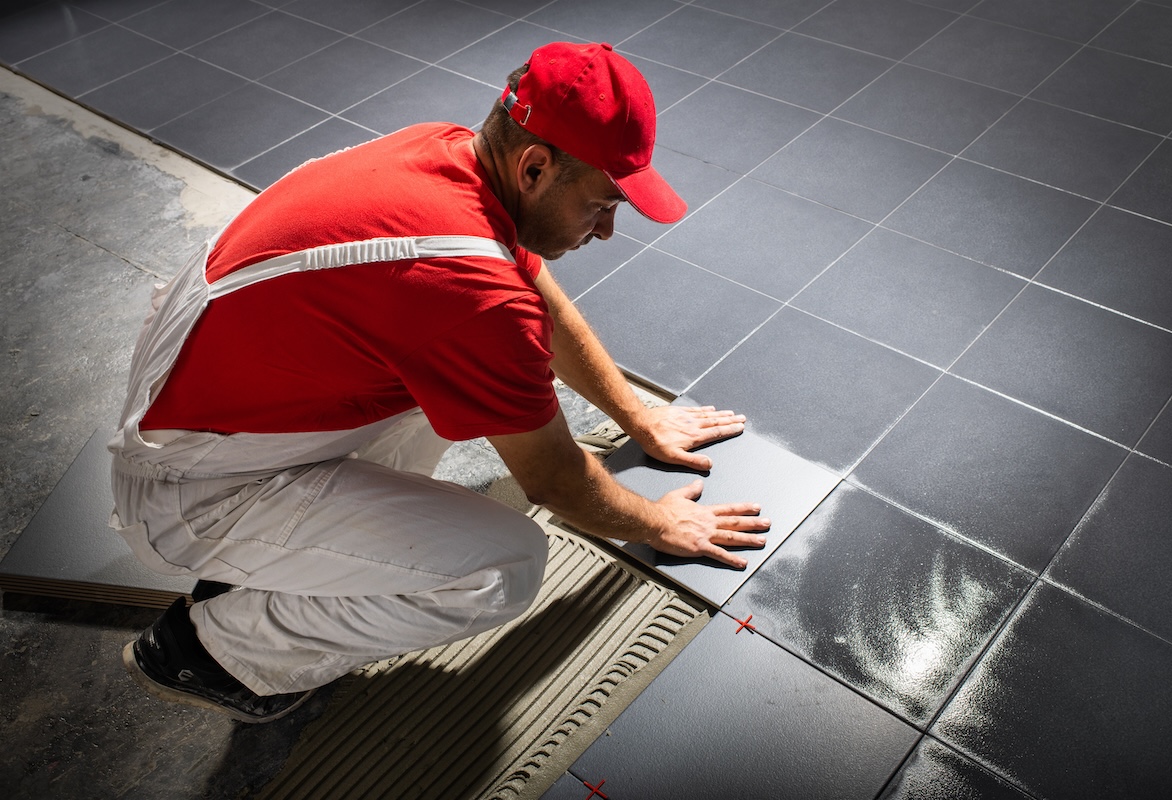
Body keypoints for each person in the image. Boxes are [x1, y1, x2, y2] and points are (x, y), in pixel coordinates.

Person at [108, 41, 769, 723]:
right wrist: (661, 523)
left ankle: (277, 559)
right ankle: (214, 651)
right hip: (190, 490)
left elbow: (530, 291)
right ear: (535, 167)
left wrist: (638, 416)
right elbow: (556, 482)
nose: (606, 231)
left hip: (202, 407)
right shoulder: (469, 291)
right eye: (601, 206)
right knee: (502, 566)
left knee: (468, 380)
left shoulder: (447, 151)